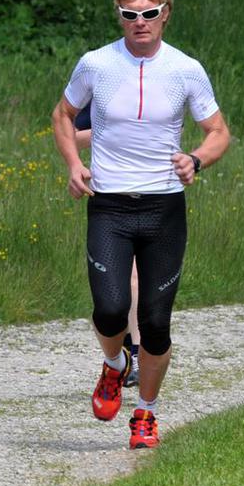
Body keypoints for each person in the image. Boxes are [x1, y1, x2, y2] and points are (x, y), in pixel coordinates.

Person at [51, 0, 230, 449]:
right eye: (130, 15)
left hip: (163, 208)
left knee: (154, 322)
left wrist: (196, 160)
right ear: (120, 17)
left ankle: (146, 414)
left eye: (149, 13)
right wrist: (74, 164)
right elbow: (62, 115)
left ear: (165, 14)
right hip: (109, 205)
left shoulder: (185, 69)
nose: (140, 22)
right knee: (110, 310)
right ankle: (114, 364)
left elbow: (218, 132)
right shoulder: (96, 63)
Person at [75, 105, 140, 388]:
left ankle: (136, 354)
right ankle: (119, 355)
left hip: (154, 196)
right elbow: (72, 136)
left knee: (137, 277)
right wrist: (111, 131)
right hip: (109, 198)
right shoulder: (100, 87)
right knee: (111, 293)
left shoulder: (161, 86)